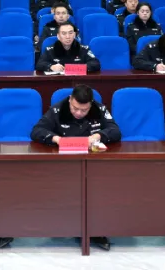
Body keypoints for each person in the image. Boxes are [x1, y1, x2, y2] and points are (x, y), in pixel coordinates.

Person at [28, 84, 117, 251]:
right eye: (75, 108)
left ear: (90, 104)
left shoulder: (99, 109)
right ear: (70, 100)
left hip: (92, 163)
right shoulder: (58, 109)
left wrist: (98, 136)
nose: (79, 113)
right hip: (64, 164)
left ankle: (96, 229)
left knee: (100, 186)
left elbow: (115, 130)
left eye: (84, 110)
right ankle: (66, 224)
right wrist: (56, 139)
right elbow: (37, 131)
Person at [36, 22, 101, 74]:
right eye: (64, 33)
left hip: (78, 81)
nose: (68, 37)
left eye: (70, 33)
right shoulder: (50, 49)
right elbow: (39, 64)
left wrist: (77, 68)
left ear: (74, 35)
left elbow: (95, 64)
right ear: (58, 36)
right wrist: (51, 66)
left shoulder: (84, 49)